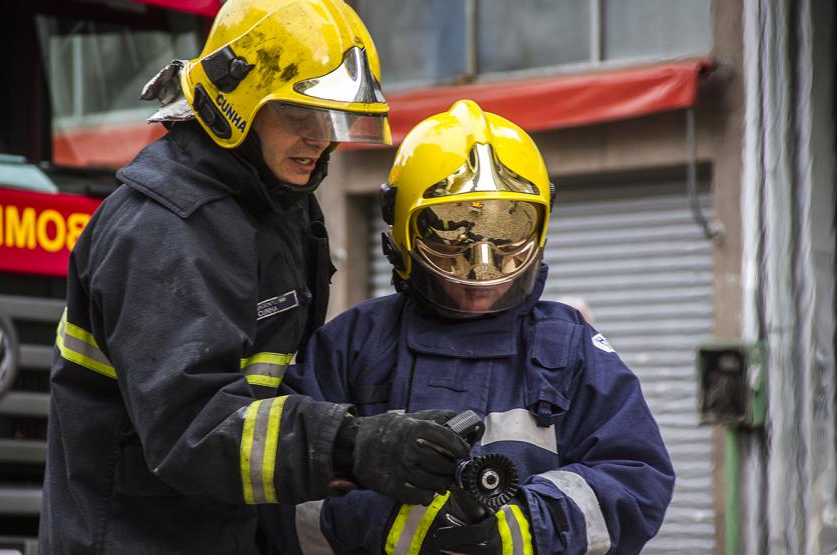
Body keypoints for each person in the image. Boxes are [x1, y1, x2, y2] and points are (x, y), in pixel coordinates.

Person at [38, 1, 470, 552]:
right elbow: (192, 427)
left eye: (333, 119)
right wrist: (350, 445)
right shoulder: (165, 231)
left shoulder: (273, 204)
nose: (320, 139)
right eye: (300, 116)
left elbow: (272, 389)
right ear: (236, 106)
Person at [263, 99, 675, 554]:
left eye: (507, 236)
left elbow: (636, 482)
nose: (481, 270)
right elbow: (280, 490)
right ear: (403, 231)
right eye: (450, 235)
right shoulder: (352, 343)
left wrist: (514, 530)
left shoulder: (569, 346)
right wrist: (390, 526)